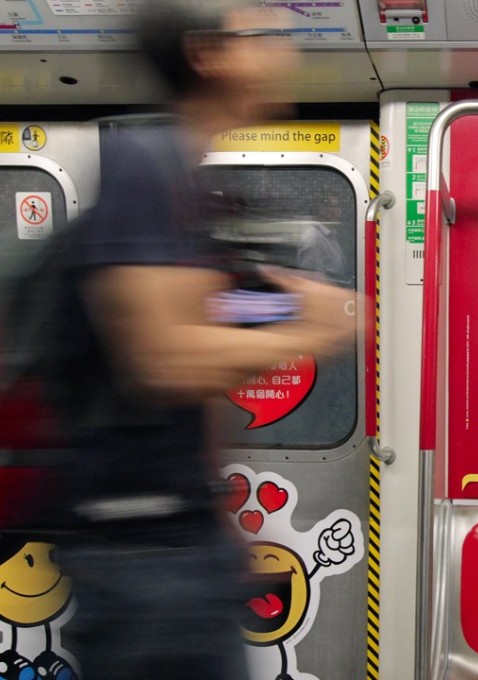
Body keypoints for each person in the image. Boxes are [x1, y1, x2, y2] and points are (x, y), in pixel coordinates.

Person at [49, 2, 358, 679]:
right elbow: (163, 359)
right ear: (207, 54)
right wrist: (313, 327)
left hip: (180, 544)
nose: (286, 50)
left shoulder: (190, 179)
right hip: (142, 558)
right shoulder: (146, 162)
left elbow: (196, 329)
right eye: (267, 36)